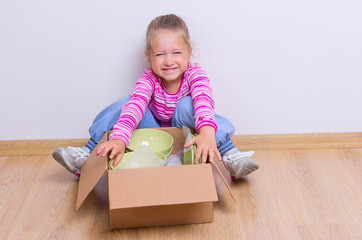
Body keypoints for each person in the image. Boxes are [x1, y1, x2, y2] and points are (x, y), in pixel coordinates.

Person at [53, 14, 259, 180]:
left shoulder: (194, 74)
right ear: (149, 57)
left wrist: (206, 132)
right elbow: (135, 107)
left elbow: (203, 101)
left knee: (187, 105)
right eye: (160, 54)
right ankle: (88, 154)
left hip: (186, 136)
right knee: (127, 102)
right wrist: (119, 140)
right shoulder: (149, 79)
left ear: (189, 52)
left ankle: (230, 154)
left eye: (176, 53)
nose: (169, 61)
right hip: (152, 136)